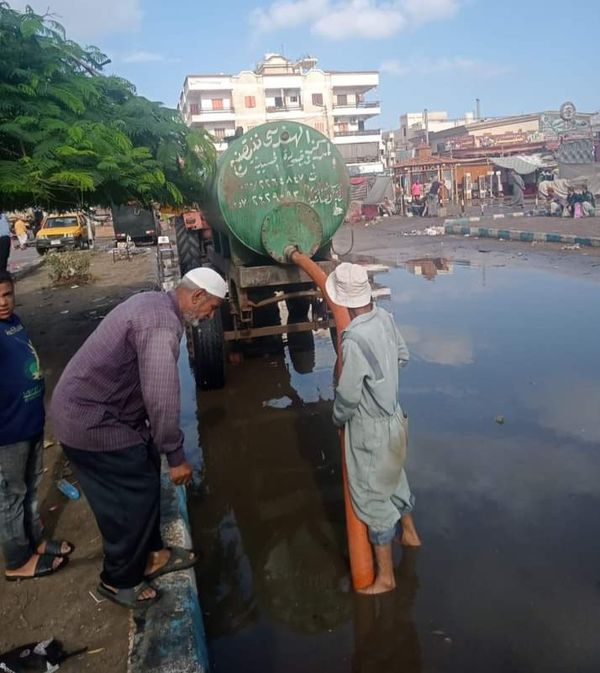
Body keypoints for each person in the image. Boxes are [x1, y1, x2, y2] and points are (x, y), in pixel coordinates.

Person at [49, 267, 227, 609]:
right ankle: (119, 580)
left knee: (144, 470)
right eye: (212, 308)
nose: (209, 316)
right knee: (130, 498)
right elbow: (161, 396)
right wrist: (175, 456)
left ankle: (155, 553)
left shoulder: (156, 304)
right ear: (198, 296)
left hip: (106, 413)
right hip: (90, 420)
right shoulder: (161, 325)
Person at [326, 263, 421, 595]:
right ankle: (409, 533)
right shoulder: (384, 318)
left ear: (345, 302)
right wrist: (384, 383)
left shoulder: (353, 339)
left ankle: (385, 577)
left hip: (370, 429)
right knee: (395, 476)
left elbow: (349, 395)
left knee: (372, 496)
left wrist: (337, 418)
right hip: (396, 417)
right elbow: (403, 357)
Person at [0, 271, 73, 581]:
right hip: (7, 432)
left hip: (29, 422)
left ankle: (35, 542)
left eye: (7, 294)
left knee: (30, 490)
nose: (2, 302)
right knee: (11, 496)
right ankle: (17, 561)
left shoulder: (14, 322)